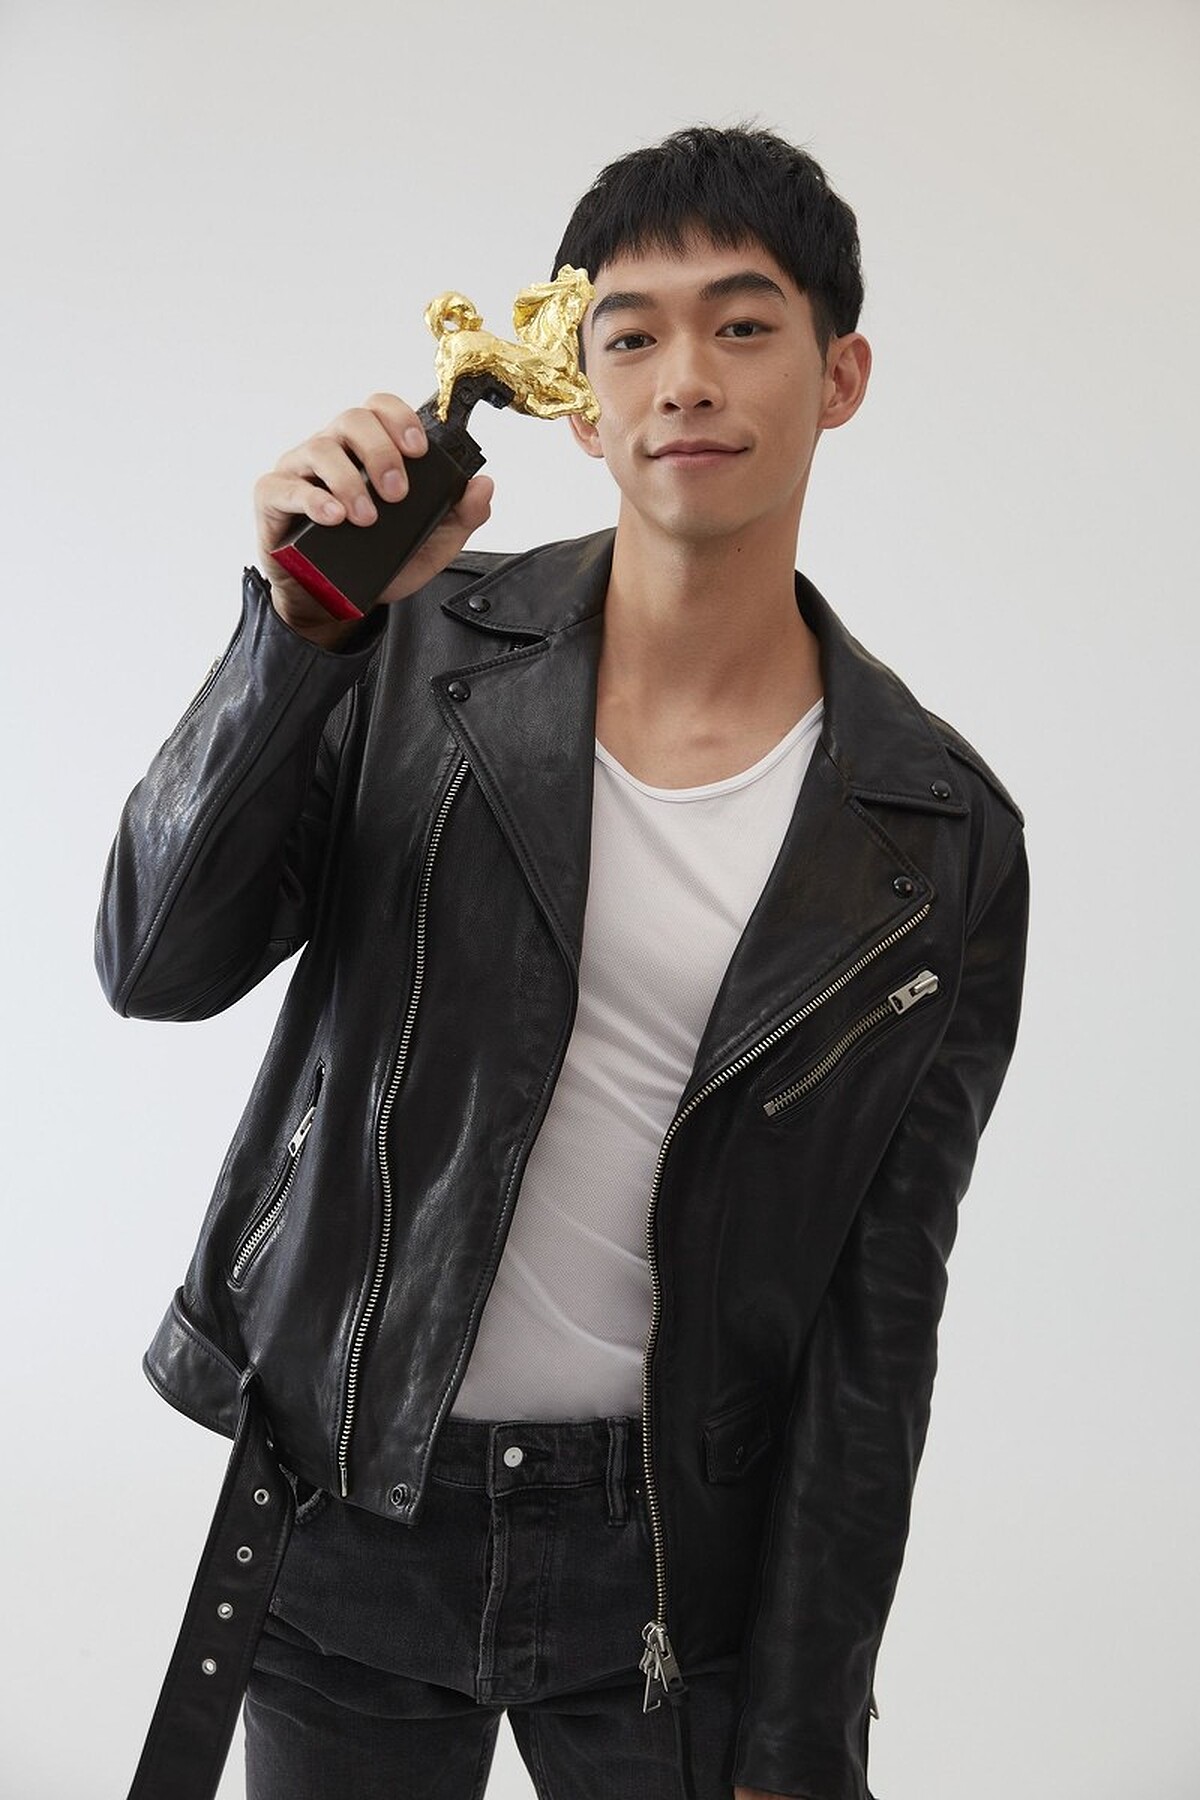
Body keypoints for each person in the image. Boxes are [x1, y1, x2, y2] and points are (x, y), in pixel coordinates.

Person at [97, 125, 1028, 1800]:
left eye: (744, 325)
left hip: (671, 1562)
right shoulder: (408, 653)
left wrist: (806, 1727)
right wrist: (299, 638)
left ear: (842, 375)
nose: (687, 377)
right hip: (349, 1508)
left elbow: (879, 1320)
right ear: (580, 397)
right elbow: (157, 959)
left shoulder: (934, 832)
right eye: (633, 333)